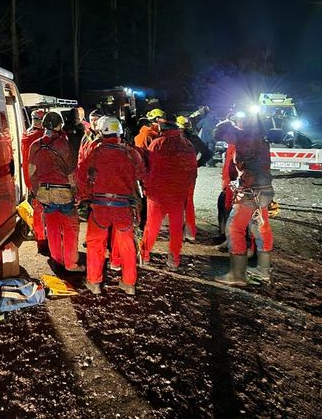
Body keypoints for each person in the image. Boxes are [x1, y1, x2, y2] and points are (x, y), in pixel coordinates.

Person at [76, 117, 145, 295]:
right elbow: (142, 174)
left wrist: (85, 196)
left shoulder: (96, 153)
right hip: (123, 207)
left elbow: (82, 175)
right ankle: (129, 283)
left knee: (95, 244)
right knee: (127, 245)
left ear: (101, 132)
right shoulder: (131, 153)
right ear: (119, 132)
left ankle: (94, 282)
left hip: (100, 206)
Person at [213, 113, 274, 286]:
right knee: (260, 227)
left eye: (225, 138)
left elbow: (244, 168)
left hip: (251, 192)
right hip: (265, 190)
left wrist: (240, 186)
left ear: (229, 132)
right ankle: (263, 271)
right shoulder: (261, 140)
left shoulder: (244, 141)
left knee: (234, 228)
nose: (227, 142)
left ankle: (237, 275)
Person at [29, 111, 85, 273]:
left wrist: (36, 192)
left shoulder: (35, 145)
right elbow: (72, 172)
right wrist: (77, 193)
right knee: (70, 228)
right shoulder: (64, 144)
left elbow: (32, 172)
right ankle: (71, 263)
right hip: (63, 193)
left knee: (52, 228)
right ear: (59, 126)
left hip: (44, 193)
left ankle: (57, 260)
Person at [140, 117, 198, 271]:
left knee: (151, 226)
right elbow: (193, 170)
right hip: (178, 194)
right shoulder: (187, 144)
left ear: (162, 129)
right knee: (176, 228)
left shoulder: (157, 143)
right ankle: (174, 260)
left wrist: (147, 187)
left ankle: (145, 255)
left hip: (157, 194)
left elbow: (148, 167)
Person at [176, 115, 212, 241]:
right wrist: (197, 164)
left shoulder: (173, 139)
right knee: (188, 202)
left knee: (176, 203)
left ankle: (177, 232)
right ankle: (190, 233)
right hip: (190, 173)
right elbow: (208, 153)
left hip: (176, 173)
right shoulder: (194, 139)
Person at [22, 109, 48, 253]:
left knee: (38, 210)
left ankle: (40, 238)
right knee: (47, 211)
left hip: (31, 180)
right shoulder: (40, 137)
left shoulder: (26, 134)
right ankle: (46, 240)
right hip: (43, 178)